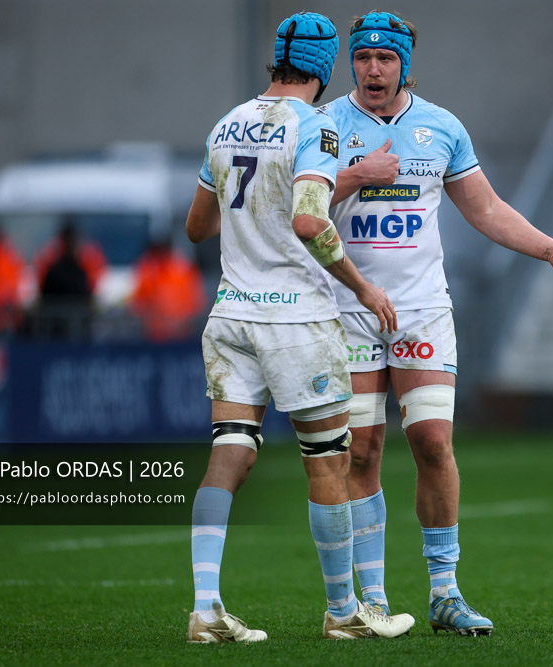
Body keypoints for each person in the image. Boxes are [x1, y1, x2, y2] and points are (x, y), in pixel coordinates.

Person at [321, 10, 553, 637]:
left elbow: (487, 208)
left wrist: (547, 247)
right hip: (347, 310)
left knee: (433, 442)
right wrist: (359, 176)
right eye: (362, 57)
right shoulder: (328, 125)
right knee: (361, 450)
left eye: (385, 59)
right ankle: (373, 601)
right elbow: (302, 204)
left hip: (421, 310)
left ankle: (445, 592)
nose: (372, 69)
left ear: (404, 65)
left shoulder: (442, 128)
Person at [183, 11, 415, 643]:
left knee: (229, 454)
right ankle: (343, 613)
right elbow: (312, 221)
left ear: (276, 61)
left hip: (231, 313)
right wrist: (364, 286)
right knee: (328, 462)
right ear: (325, 67)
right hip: (297, 322)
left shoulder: (226, 122)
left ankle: (206, 608)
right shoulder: (319, 127)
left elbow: (197, 226)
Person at [129, 238, 207, 341]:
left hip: (182, 335)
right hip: (154, 336)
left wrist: (181, 320)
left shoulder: (183, 270)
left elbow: (197, 303)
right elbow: (138, 304)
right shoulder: (147, 271)